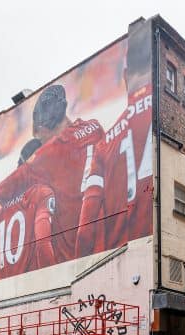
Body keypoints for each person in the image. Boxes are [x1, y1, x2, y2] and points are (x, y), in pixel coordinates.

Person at [0, 84, 105, 265]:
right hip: (107, 247)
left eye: (39, 138)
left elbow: (2, 192)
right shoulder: (95, 127)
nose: (39, 143)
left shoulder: (46, 155)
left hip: (72, 260)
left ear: (44, 128)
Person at [76, 20, 153, 256]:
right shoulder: (163, 112)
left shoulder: (104, 144)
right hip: (155, 252)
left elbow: (85, 229)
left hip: (120, 261)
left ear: (126, 75)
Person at [0, 139, 56, 282]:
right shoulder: (40, 194)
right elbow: (43, 243)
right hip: (31, 292)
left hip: (2, 298)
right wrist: (52, 281)